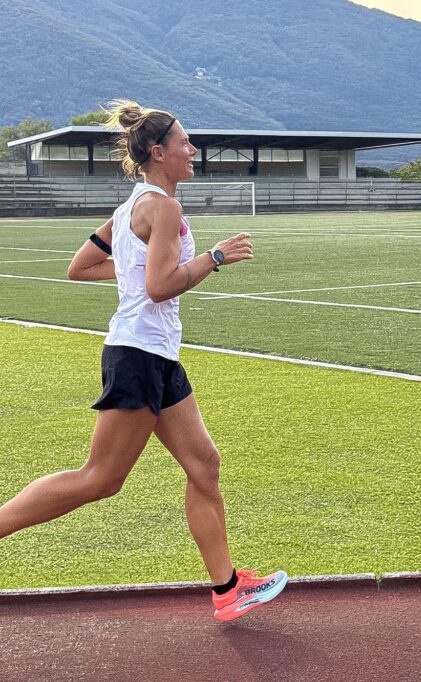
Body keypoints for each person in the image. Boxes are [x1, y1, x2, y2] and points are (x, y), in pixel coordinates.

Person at [0, 100, 287, 622]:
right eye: (184, 143)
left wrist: (133, 275)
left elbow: (81, 266)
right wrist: (214, 258)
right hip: (137, 354)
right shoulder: (165, 207)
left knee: (204, 464)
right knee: (100, 479)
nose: (193, 150)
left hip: (157, 355)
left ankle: (227, 589)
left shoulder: (133, 203)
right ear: (159, 153)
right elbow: (159, 288)